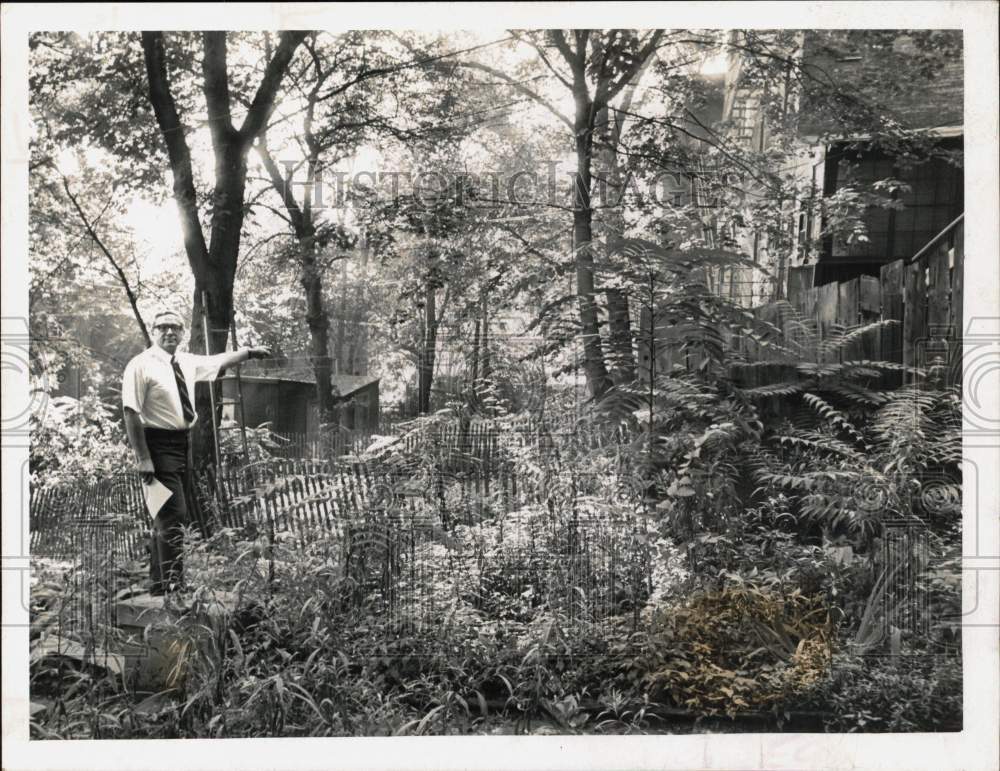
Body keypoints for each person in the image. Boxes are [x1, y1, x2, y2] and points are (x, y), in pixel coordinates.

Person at [121, 309, 269, 595]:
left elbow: (218, 360)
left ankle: (160, 585)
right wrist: (143, 457)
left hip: (182, 444)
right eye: (163, 327)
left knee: (166, 515)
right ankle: (173, 588)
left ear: (182, 333)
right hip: (157, 445)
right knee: (173, 514)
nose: (169, 333)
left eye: (175, 328)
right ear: (153, 331)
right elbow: (131, 412)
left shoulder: (186, 362)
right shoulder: (139, 366)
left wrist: (249, 352)